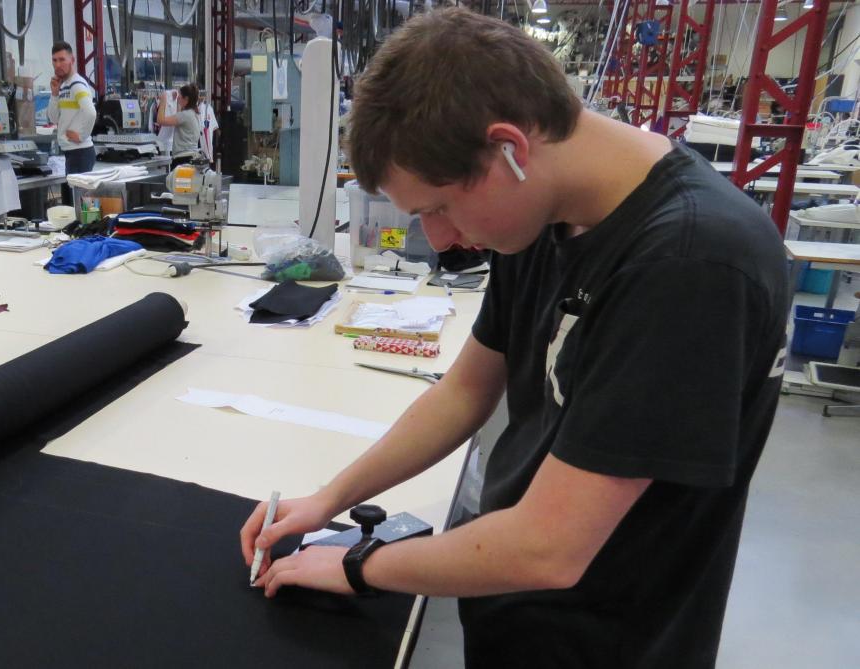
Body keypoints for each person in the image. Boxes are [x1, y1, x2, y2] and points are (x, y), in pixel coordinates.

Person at [239, 8, 789, 668]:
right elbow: (464, 391)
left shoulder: (689, 265)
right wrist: (330, 499)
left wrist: (359, 565)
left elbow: (548, 549)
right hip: (513, 608)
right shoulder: (544, 214)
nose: (439, 239)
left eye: (438, 207)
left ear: (508, 149)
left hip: (607, 640)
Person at [47, 41, 96, 205]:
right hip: (72, 153)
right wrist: (54, 94)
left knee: (79, 206)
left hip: (80, 153)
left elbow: (91, 112)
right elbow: (54, 118)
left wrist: (81, 134)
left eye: (62, 59)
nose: (57, 65)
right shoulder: (64, 86)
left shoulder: (77, 84)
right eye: (54, 60)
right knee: (71, 205)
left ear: (72, 60)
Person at [156, 83, 202, 167]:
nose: (178, 97)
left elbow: (160, 120)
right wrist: (177, 102)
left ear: (186, 99)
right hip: (191, 156)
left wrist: (163, 100)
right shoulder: (193, 113)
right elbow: (179, 114)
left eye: (180, 95)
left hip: (183, 159)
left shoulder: (185, 115)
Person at [196, 89, 221, 165]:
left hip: (206, 130)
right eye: (201, 95)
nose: (202, 97)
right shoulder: (198, 107)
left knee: (208, 147)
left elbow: (212, 119)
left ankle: (208, 158)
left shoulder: (209, 107)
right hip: (200, 131)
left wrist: (217, 129)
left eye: (203, 96)